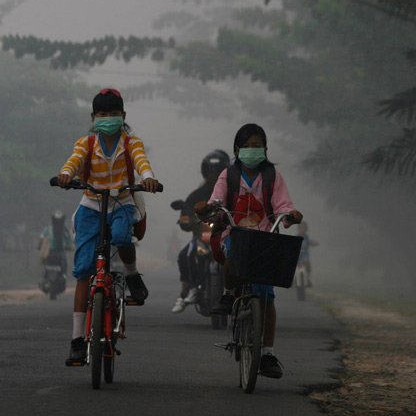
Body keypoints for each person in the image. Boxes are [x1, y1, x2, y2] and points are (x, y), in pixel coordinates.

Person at [57, 88, 160, 365]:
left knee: (122, 236)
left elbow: (142, 163)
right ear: (94, 117)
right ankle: (77, 340)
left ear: (123, 116)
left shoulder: (131, 143)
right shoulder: (86, 144)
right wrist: (66, 174)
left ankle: (132, 274)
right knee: (82, 270)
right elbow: (73, 161)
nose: (108, 119)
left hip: (122, 202)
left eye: (114, 114)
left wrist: (148, 178)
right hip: (91, 205)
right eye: (102, 114)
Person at [195, 123, 302, 379]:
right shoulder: (228, 175)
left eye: (258, 146)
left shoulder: (272, 177)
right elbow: (215, 202)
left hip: (265, 237)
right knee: (233, 255)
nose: (253, 150)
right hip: (233, 233)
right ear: (237, 149)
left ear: (265, 149)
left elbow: (283, 205)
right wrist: (206, 209)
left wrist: (291, 215)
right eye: (248, 146)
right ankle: (229, 293)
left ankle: (267, 353)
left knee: (267, 297)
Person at [171, 150, 230, 313]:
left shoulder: (233, 192)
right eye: (211, 171)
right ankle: (189, 288)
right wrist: (185, 218)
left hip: (226, 237)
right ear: (205, 172)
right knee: (185, 255)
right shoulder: (196, 194)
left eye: (217, 172)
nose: (214, 175)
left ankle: (245, 293)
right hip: (201, 237)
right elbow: (186, 214)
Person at [38, 210, 73, 277]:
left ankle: (61, 275)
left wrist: (39, 246)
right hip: (56, 252)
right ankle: (62, 275)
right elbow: (68, 241)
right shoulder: (62, 230)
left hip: (53, 252)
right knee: (64, 262)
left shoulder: (48, 229)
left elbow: (41, 238)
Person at [297, 221, 318, 286]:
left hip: (304, 255)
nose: (302, 230)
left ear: (306, 229)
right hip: (297, 254)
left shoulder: (307, 238)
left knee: (307, 263)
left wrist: (314, 243)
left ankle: (308, 278)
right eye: (301, 228)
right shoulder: (296, 237)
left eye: (303, 228)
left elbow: (312, 241)